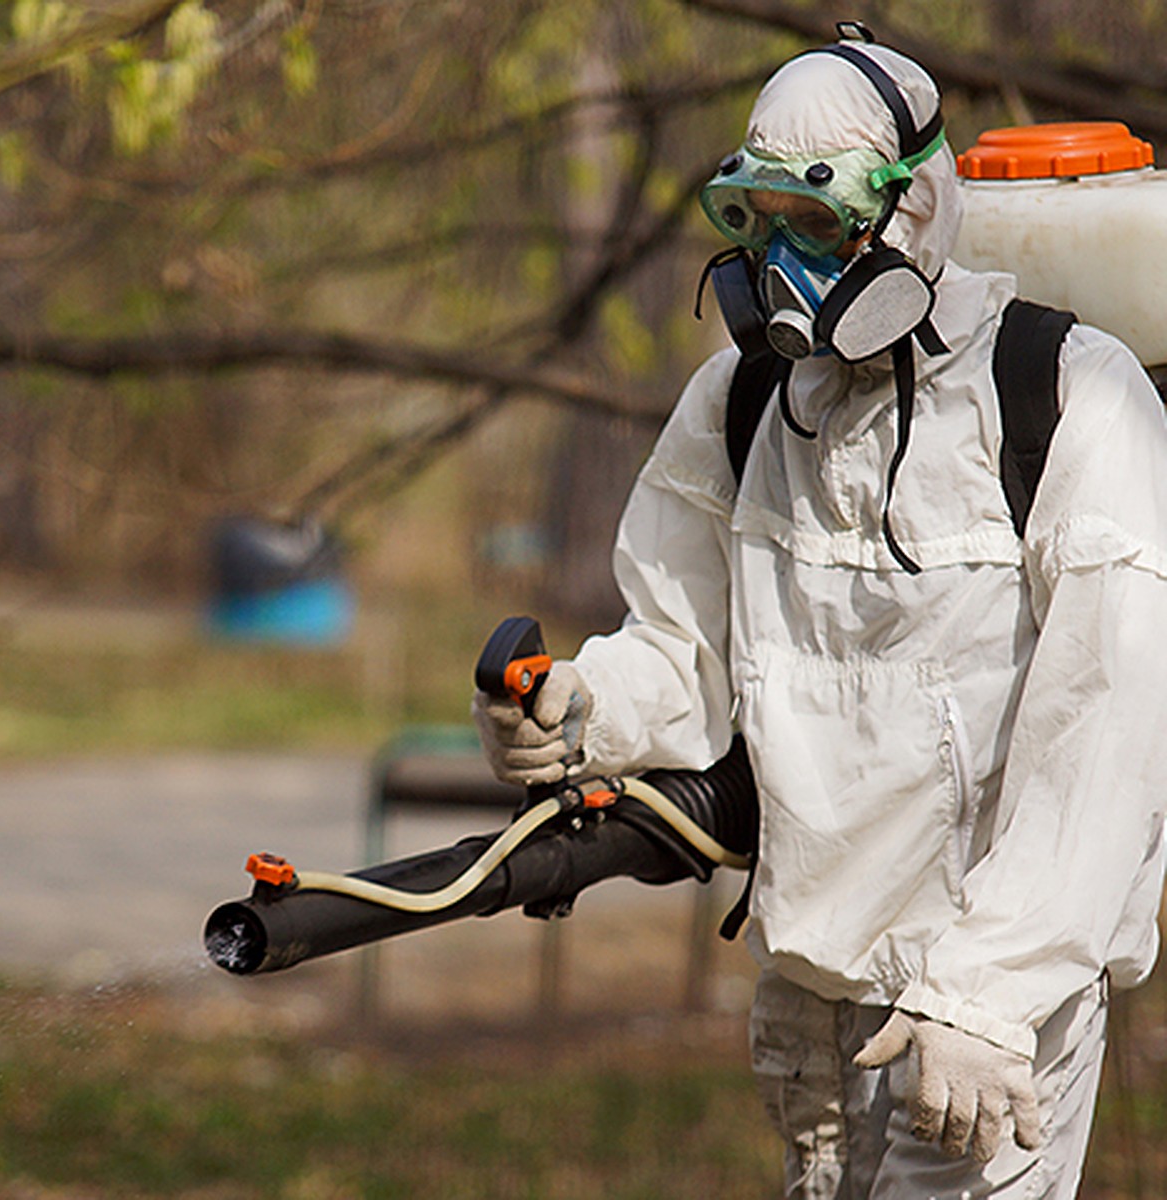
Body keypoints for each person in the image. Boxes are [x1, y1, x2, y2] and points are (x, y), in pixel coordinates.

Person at [473, 25, 1167, 1199]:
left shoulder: (1066, 396)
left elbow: (1107, 736)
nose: (784, 268)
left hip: (980, 1012)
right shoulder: (744, 401)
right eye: (759, 226)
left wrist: (990, 992)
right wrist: (583, 709)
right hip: (811, 993)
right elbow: (683, 652)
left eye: (817, 223)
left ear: (916, 211)